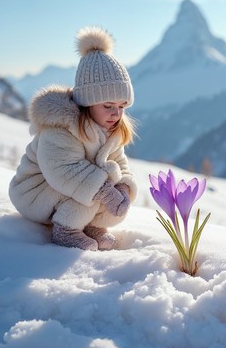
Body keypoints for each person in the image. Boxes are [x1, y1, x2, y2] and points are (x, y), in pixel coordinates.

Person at [9, 26, 138, 251]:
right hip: (35, 192)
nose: (115, 114)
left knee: (110, 196)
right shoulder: (60, 127)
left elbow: (120, 163)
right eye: (107, 106)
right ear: (87, 102)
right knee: (90, 191)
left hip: (63, 190)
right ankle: (66, 230)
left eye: (121, 107)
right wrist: (104, 191)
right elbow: (63, 170)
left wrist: (124, 188)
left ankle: (92, 227)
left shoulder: (111, 129)